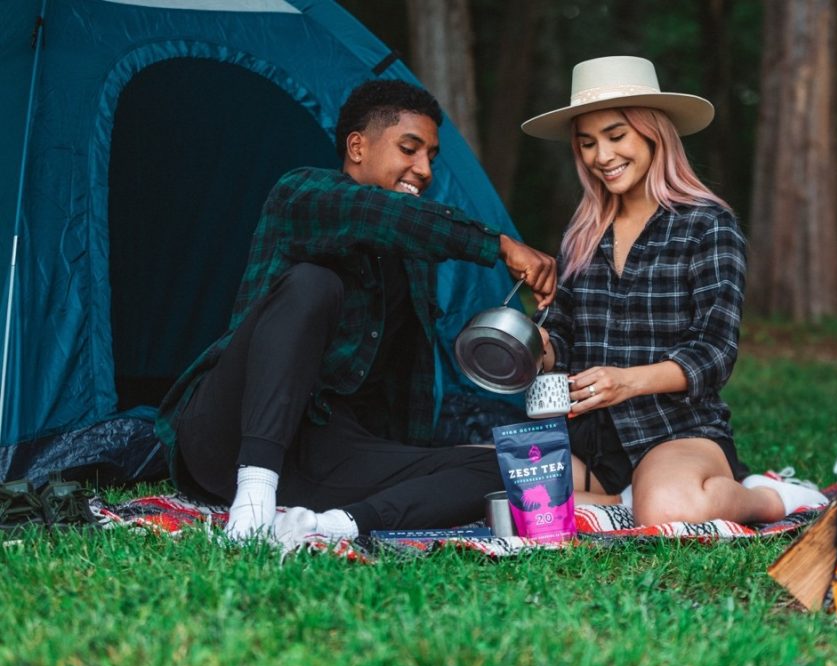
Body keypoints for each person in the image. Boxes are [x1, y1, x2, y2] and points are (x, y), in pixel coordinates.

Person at [155, 79, 556, 543]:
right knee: (313, 283)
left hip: (324, 454)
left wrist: (402, 463)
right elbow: (373, 214)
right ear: (358, 146)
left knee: (500, 466)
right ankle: (253, 501)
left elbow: (404, 389)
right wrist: (498, 245)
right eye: (409, 148)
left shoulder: (412, 256)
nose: (424, 169)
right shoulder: (302, 194)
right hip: (229, 435)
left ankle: (331, 525)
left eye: (431, 156)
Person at [521, 56, 826, 526]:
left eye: (616, 135)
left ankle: (772, 498)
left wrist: (627, 381)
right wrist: (537, 348)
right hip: (592, 437)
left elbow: (715, 352)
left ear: (652, 133)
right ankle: (628, 504)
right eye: (586, 143)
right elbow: (561, 337)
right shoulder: (581, 232)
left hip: (675, 430)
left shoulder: (707, 224)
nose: (601, 156)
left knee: (670, 509)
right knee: (513, 487)